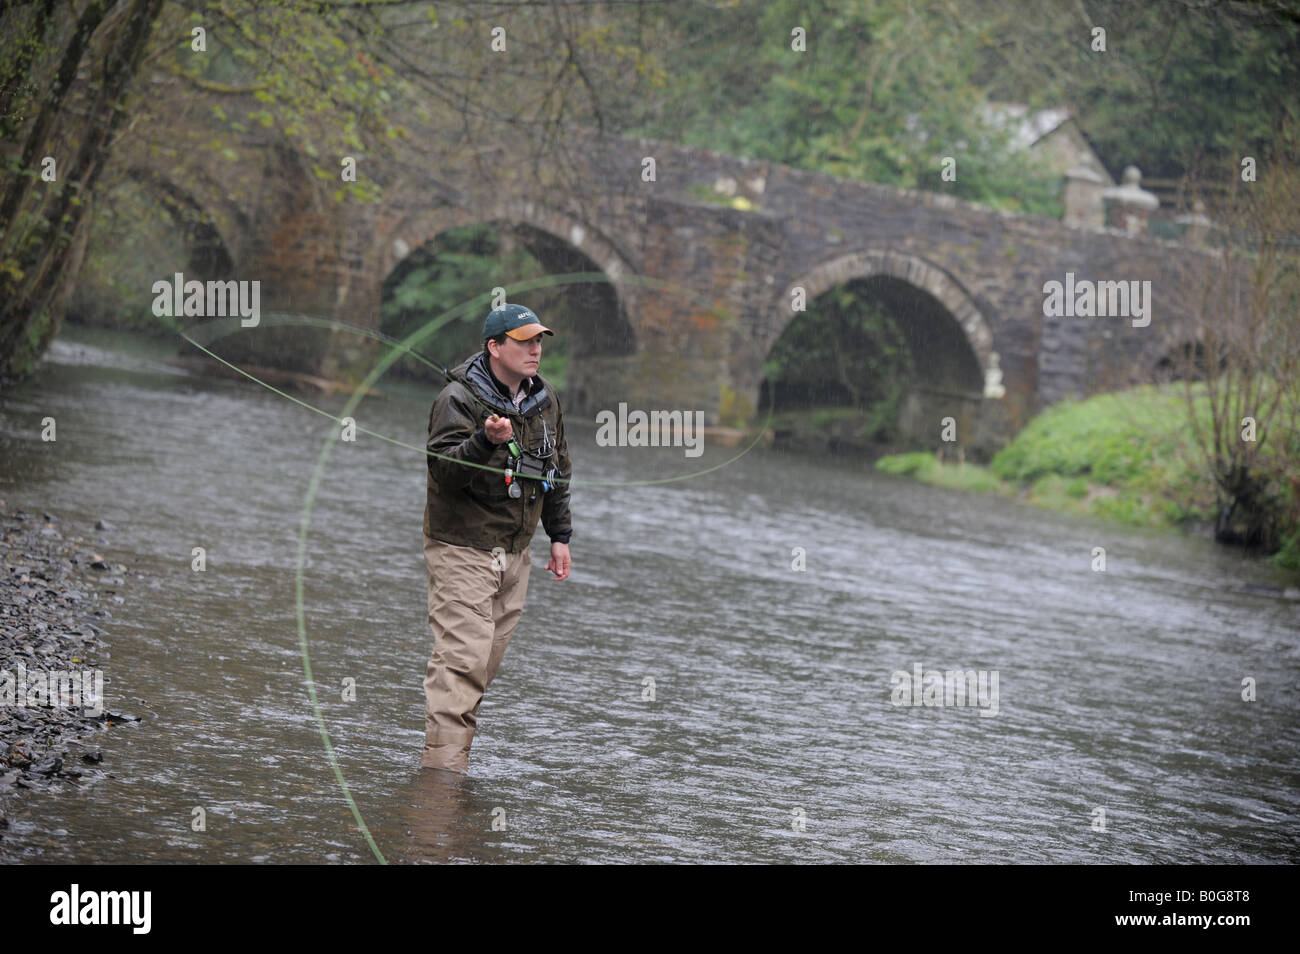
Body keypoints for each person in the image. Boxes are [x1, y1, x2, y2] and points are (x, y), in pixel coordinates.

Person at [420, 303, 573, 775]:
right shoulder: (457, 399)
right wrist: (485, 441)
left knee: (482, 668)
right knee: (461, 665)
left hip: (516, 555)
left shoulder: (544, 400)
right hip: (462, 548)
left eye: (539, 341)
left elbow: (558, 471)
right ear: (494, 347)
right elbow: (445, 473)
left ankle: (447, 773)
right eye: (524, 341)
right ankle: (441, 786)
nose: (536, 349)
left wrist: (560, 536)